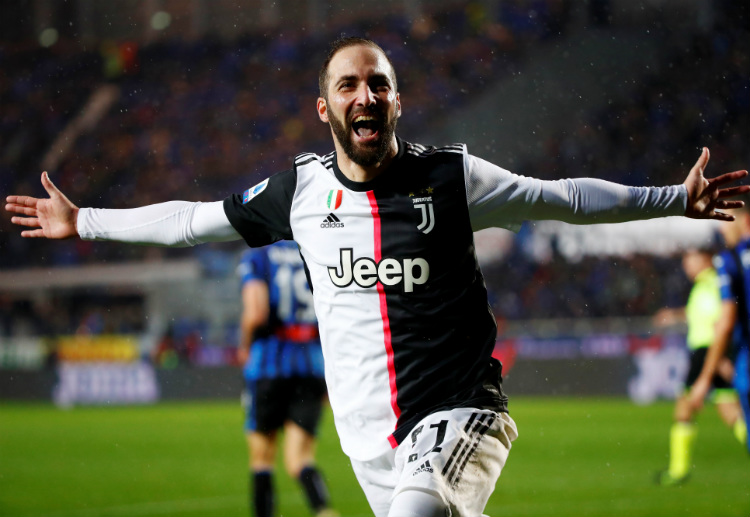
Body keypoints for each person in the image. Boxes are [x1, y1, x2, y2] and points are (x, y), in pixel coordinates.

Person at [5, 37, 749, 517]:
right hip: (369, 441)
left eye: (379, 84)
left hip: (460, 409)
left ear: (397, 99)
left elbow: (564, 197)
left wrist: (672, 199)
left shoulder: (451, 178)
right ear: (324, 106)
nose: (365, 95)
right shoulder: (298, 193)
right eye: (349, 85)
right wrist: (85, 220)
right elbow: (192, 221)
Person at [236, 240, 337, 517]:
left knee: (262, 458)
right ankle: (324, 511)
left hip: (269, 365)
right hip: (311, 365)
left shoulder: (258, 255)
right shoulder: (312, 250)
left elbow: (255, 313)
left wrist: (244, 346)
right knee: (300, 458)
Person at [653, 248, 747, 486]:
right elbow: (702, 315)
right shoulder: (705, 284)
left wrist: (720, 358)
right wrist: (675, 315)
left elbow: (721, 319)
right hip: (714, 351)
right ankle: (679, 470)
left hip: (708, 352)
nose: (687, 267)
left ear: (705, 260)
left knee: (684, 409)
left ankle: (678, 471)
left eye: (690, 261)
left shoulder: (713, 283)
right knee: (730, 411)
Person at [689, 204, 750, 455]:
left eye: (726, 221)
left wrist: (705, 378)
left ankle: (678, 470)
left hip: (737, 356)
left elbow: (725, 322)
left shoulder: (730, 259)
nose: (722, 230)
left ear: (745, 220)